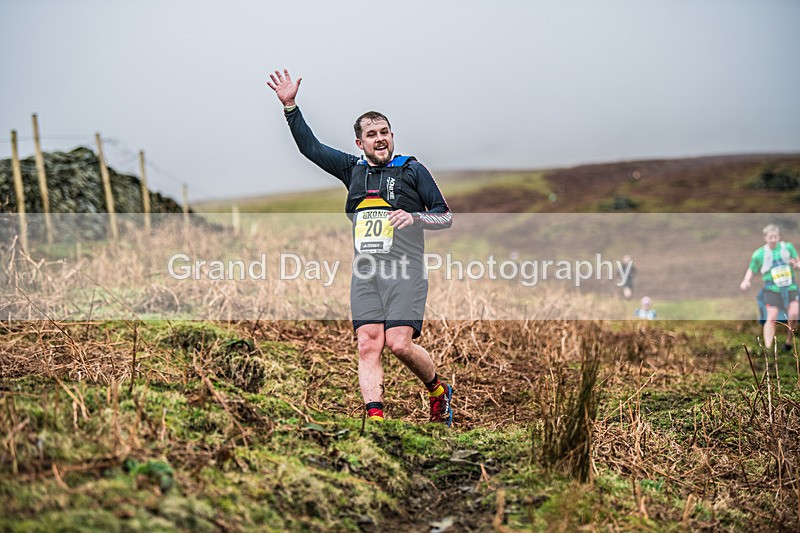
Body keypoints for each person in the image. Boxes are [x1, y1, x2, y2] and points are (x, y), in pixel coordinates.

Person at [266, 69, 454, 426]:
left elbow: (445, 217)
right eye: (372, 134)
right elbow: (311, 148)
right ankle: (376, 421)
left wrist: (414, 218)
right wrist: (290, 107)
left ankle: (438, 392)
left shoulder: (413, 171)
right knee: (368, 343)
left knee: (399, 345)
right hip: (366, 275)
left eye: (384, 132)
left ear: (392, 136)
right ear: (360, 143)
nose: (380, 139)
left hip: (406, 273)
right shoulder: (351, 170)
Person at [740, 224, 800, 352]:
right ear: (765, 238)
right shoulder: (759, 254)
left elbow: (797, 261)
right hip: (772, 289)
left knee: (794, 314)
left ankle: (789, 343)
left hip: (790, 287)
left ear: (779, 237)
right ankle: (767, 349)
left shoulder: (787, 247)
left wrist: (796, 264)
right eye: (771, 237)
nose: (773, 239)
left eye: (776, 236)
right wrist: (746, 280)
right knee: (771, 316)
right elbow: (752, 269)